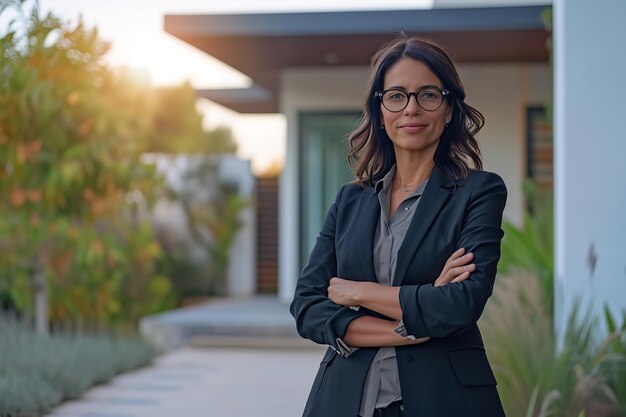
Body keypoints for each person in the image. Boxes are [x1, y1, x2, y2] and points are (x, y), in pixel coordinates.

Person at [289, 34, 508, 417]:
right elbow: (308, 307)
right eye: (396, 96)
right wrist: (413, 322)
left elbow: (459, 304)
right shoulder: (349, 200)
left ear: (450, 108)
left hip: (445, 399)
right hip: (345, 400)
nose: (411, 109)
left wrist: (357, 292)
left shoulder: (479, 191)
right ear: (381, 110)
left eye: (428, 94)